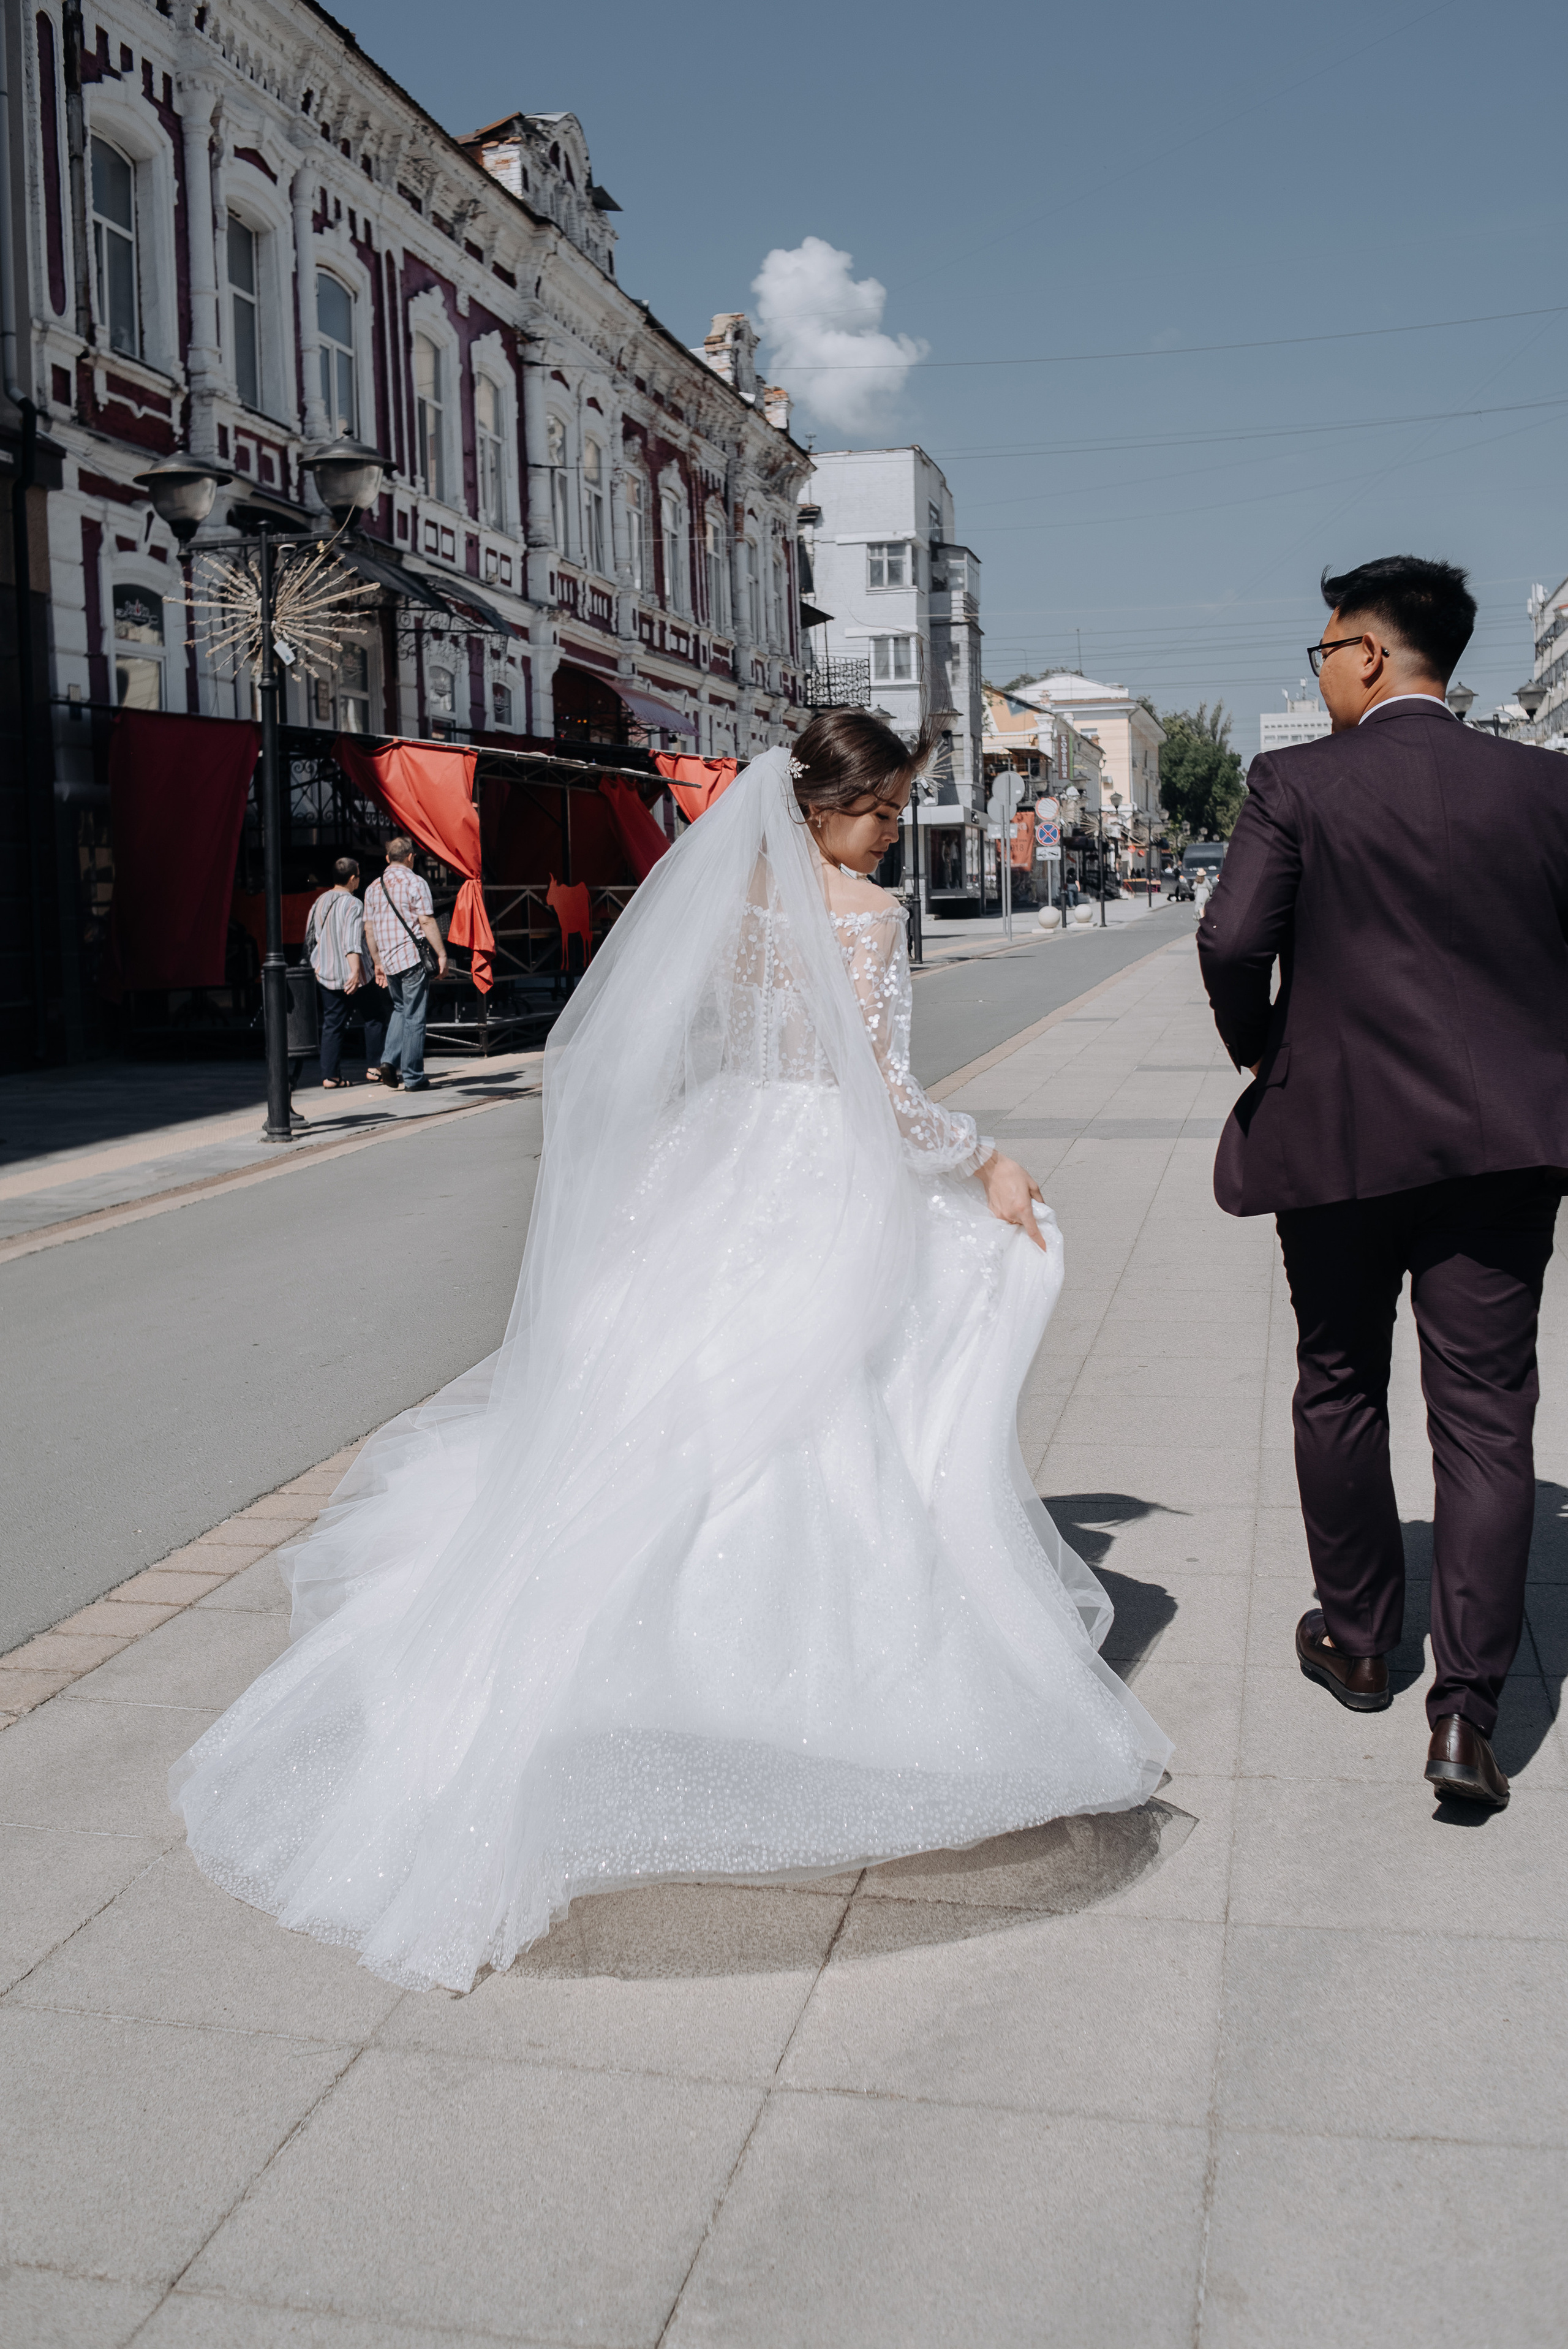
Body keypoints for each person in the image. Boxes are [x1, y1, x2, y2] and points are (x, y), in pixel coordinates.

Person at [170, 711, 1170, 1992]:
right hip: (818, 1176)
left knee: (677, 1408)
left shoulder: (737, 899)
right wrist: (989, 1160)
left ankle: (634, 1659)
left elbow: (701, 1047)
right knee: (828, 1403)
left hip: (724, 1161)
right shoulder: (858, 917)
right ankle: (794, 1683)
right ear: (830, 808)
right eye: (881, 815)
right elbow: (880, 1094)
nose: (890, 840)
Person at [1198, 554, 1568, 1810]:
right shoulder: (1544, 786)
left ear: (1363, 653)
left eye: (1317, 651)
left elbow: (1230, 937)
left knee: (1338, 1378)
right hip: (1507, 1150)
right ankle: (1464, 1714)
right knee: (1483, 1415)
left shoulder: (1294, 783)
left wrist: (1258, 1046)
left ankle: (1359, 1643)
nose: (1313, 672)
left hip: (1338, 1142)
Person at [365, 836, 447, 1092]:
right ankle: (413, 1076)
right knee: (415, 1016)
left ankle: (388, 1061)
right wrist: (441, 954)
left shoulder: (372, 888)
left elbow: (369, 929)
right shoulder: (415, 882)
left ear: (388, 858)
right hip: (411, 958)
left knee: (400, 1009)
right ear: (411, 857)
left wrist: (376, 961)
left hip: (388, 960)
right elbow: (425, 921)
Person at [302, 858, 383, 1088]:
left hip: (327, 972)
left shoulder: (319, 901)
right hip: (354, 973)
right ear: (352, 879)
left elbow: (313, 936)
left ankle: (330, 1076)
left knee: (333, 1023)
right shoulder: (354, 904)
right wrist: (356, 972)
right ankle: (374, 1069)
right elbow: (351, 942)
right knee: (374, 1017)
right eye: (358, 876)